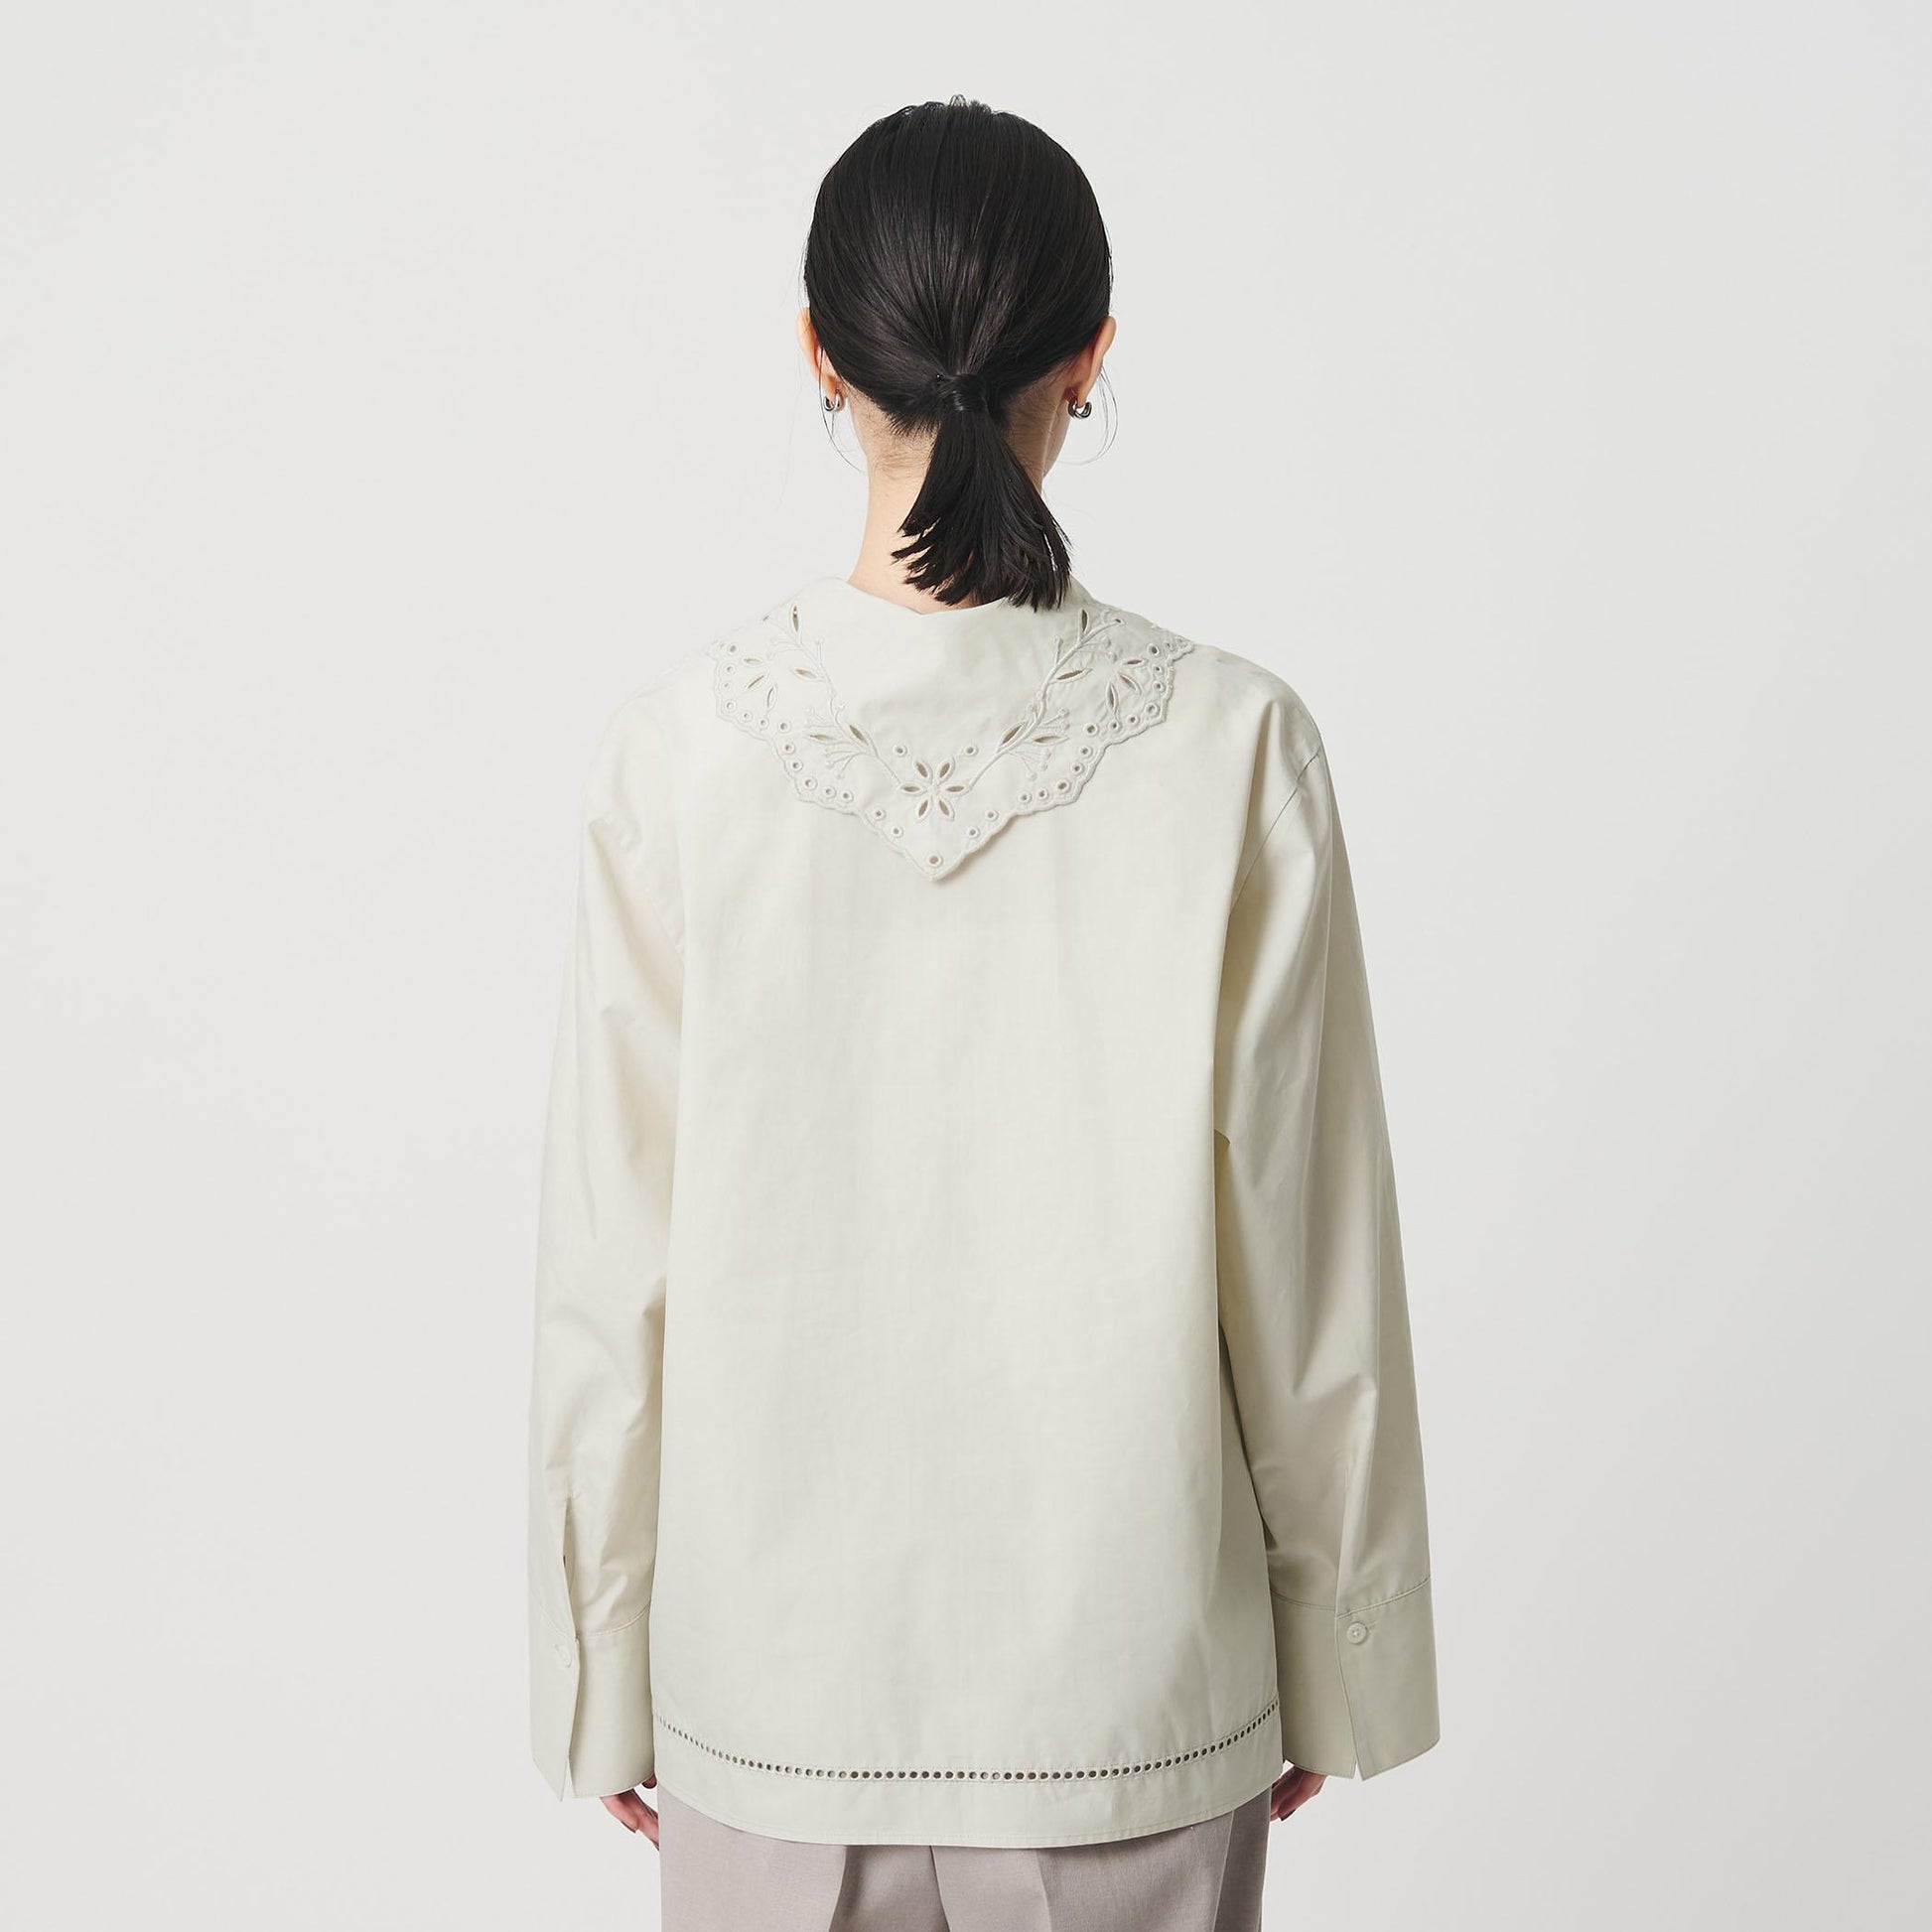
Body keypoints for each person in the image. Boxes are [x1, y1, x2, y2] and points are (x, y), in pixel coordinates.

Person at [527, 95, 1440, 1932]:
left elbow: (610, 1270)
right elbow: (1309, 1259)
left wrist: (594, 1665)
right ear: (1088, 357)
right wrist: (1336, 1647)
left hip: (765, 1702)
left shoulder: (676, 753)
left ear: (817, 350)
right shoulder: (1233, 743)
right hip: (1129, 1695)